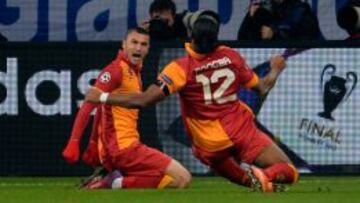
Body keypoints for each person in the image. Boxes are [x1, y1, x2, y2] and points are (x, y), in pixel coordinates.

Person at [85, 11, 299, 192]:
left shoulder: (180, 68)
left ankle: (261, 178)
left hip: (210, 145)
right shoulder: (231, 56)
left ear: (191, 36)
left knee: (253, 183)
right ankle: (265, 174)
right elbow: (262, 87)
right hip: (242, 131)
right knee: (289, 171)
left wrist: (101, 96)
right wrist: (275, 70)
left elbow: (144, 100)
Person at [62, 27, 191, 189]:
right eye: (134, 42)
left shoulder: (134, 71)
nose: (138, 48)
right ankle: (113, 182)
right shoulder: (116, 70)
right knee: (183, 178)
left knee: (170, 178)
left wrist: (94, 143)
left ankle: (114, 180)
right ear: (124, 44)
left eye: (143, 44)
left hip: (125, 147)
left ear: (148, 49)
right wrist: (74, 142)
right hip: (123, 149)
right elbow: (90, 102)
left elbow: (103, 108)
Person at [237, 0, 323, 41]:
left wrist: (275, 34)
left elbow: (306, 41)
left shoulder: (301, 11)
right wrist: (250, 18)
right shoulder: (261, 10)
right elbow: (242, 39)